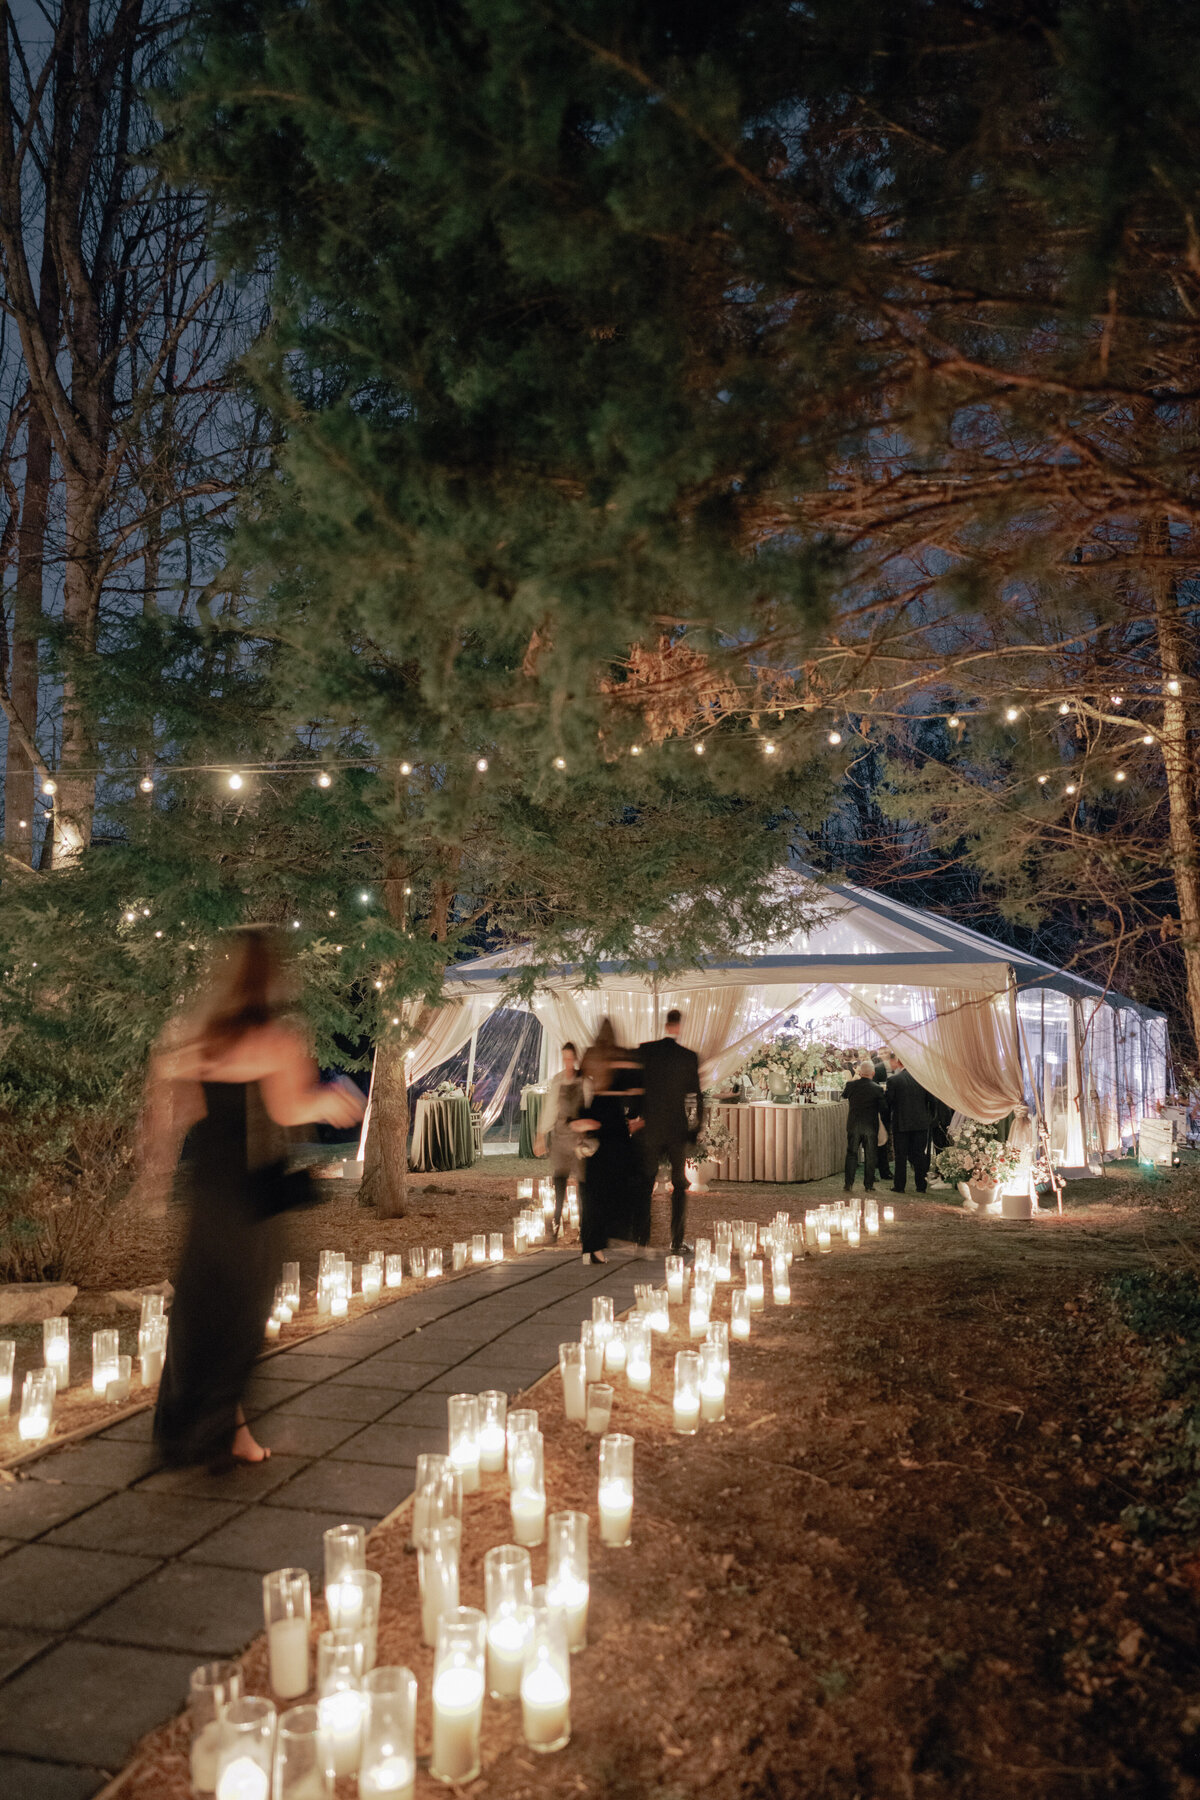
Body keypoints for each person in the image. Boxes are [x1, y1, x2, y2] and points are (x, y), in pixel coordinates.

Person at [137, 927, 364, 1467]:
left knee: (203, 1308)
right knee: (242, 1312)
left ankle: (206, 1428)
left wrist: (154, 1169)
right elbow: (289, 1110)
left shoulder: (200, 1038)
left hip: (210, 1190)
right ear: (270, 976)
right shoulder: (276, 1040)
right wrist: (332, 1101)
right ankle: (215, 1431)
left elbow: (174, 1102)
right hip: (252, 1194)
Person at [571, 1019, 644, 1263]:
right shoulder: (622, 1055)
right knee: (619, 1182)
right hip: (614, 1122)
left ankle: (591, 1245)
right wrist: (634, 1116)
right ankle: (612, 1235)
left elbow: (579, 1080)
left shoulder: (592, 1054)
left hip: (595, 1115)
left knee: (593, 1189)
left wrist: (580, 1116)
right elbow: (635, 1092)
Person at [635, 1008, 704, 1254]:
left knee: (646, 1181)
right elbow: (695, 1095)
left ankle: (641, 1239)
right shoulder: (687, 1056)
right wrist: (694, 1127)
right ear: (678, 1026)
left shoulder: (646, 1051)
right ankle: (676, 1239)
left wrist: (636, 1115)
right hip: (675, 1128)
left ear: (666, 1025)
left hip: (652, 1127)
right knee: (679, 1183)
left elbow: (637, 1086)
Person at [534, 1041, 584, 1238]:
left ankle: (583, 1226)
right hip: (562, 1136)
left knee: (582, 1183)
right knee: (560, 1179)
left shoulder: (583, 1081)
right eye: (565, 1059)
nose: (567, 1062)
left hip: (579, 1137)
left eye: (570, 1058)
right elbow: (550, 1109)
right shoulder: (558, 1080)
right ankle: (556, 1222)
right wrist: (540, 1135)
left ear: (575, 1059)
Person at [886, 1054, 934, 1195]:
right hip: (920, 1123)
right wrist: (929, 1117)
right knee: (919, 1155)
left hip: (901, 1123)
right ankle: (921, 1186)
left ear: (900, 1063)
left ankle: (899, 1186)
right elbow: (933, 1101)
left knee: (900, 1156)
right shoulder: (924, 1080)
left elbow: (889, 1102)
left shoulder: (894, 1080)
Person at [842, 1059, 890, 1193]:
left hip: (853, 1124)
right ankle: (868, 1185)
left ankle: (848, 1183)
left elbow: (844, 1095)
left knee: (851, 1154)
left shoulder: (850, 1086)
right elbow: (883, 1108)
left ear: (860, 1072)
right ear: (873, 1073)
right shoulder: (877, 1088)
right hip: (870, 1126)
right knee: (870, 1155)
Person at [872, 1050, 893, 1182]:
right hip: (881, 1111)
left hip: (893, 1110)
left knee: (887, 1140)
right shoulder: (878, 1069)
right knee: (881, 1140)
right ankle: (882, 1169)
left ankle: (885, 1167)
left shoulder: (900, 1071)